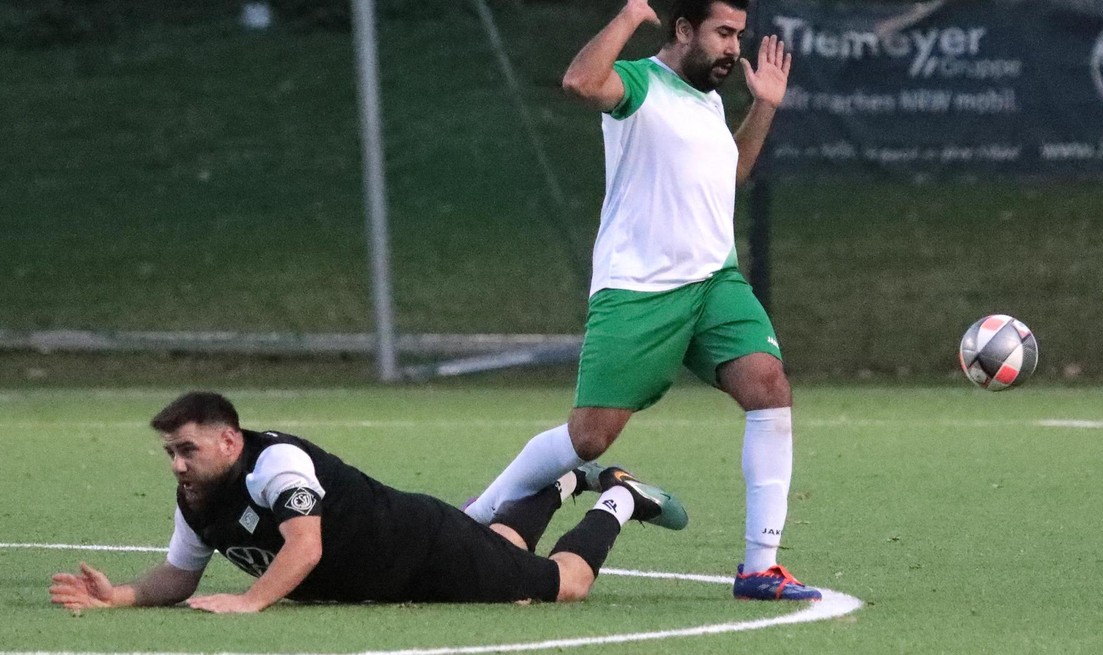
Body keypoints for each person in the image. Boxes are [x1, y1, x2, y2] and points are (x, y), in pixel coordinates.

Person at [463, 0, 819, 602]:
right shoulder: (639, 84)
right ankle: (475, 518)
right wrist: (630, 14)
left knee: (769, 387)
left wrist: (764, 106)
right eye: (723, 33)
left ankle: (760, 566)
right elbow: (580, 81)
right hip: (640, 290)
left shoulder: (708, 101)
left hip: (715, 283)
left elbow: (729, 176)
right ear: (683, 30)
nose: (734, 49)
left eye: (739, 35)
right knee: (589, 439)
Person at [48, 391, 687, 613]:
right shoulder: (197, 498)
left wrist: (249, 600)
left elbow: (305, 546)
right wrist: (119, 596)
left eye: (187, 450)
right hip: (397, 569)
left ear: (228, 440)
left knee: (562, 585)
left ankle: (619, 499)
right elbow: (179, 575)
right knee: (503, 548)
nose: (178, 465)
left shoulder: (275, 464)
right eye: (170, 453)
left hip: (425, 548)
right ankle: (563, 483)